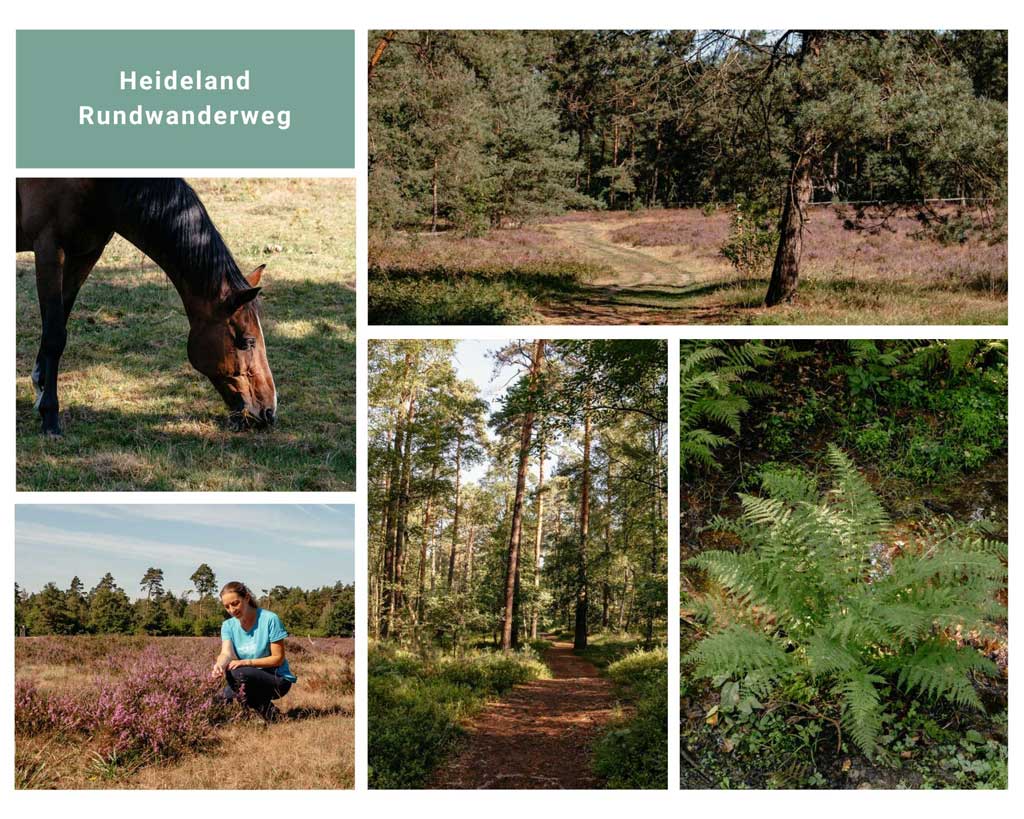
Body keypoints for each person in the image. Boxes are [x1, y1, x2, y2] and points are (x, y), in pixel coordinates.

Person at [211, 581, 297, 720]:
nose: (232, 610)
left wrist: (247, 662)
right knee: (218, 699)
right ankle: (273, 715)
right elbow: (225, 653)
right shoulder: (228, 625)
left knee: (237, 672)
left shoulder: (270, 619)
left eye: (235, 603)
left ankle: (257, 708)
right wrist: (219, 665)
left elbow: (278, 658)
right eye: (227, 607)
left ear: (247, 597)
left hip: (277, 679)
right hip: (248, 677)